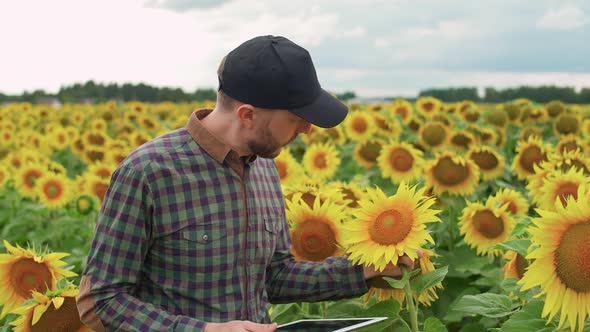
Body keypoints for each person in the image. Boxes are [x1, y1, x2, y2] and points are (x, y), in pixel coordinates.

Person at [77, 35, 418, 332]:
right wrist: (203, 330)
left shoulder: (264, 169)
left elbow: (273, 277)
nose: (306, 130)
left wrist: (365, 271)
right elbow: (102, 301)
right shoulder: (148, 172)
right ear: (247, 115)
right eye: (296, 119)